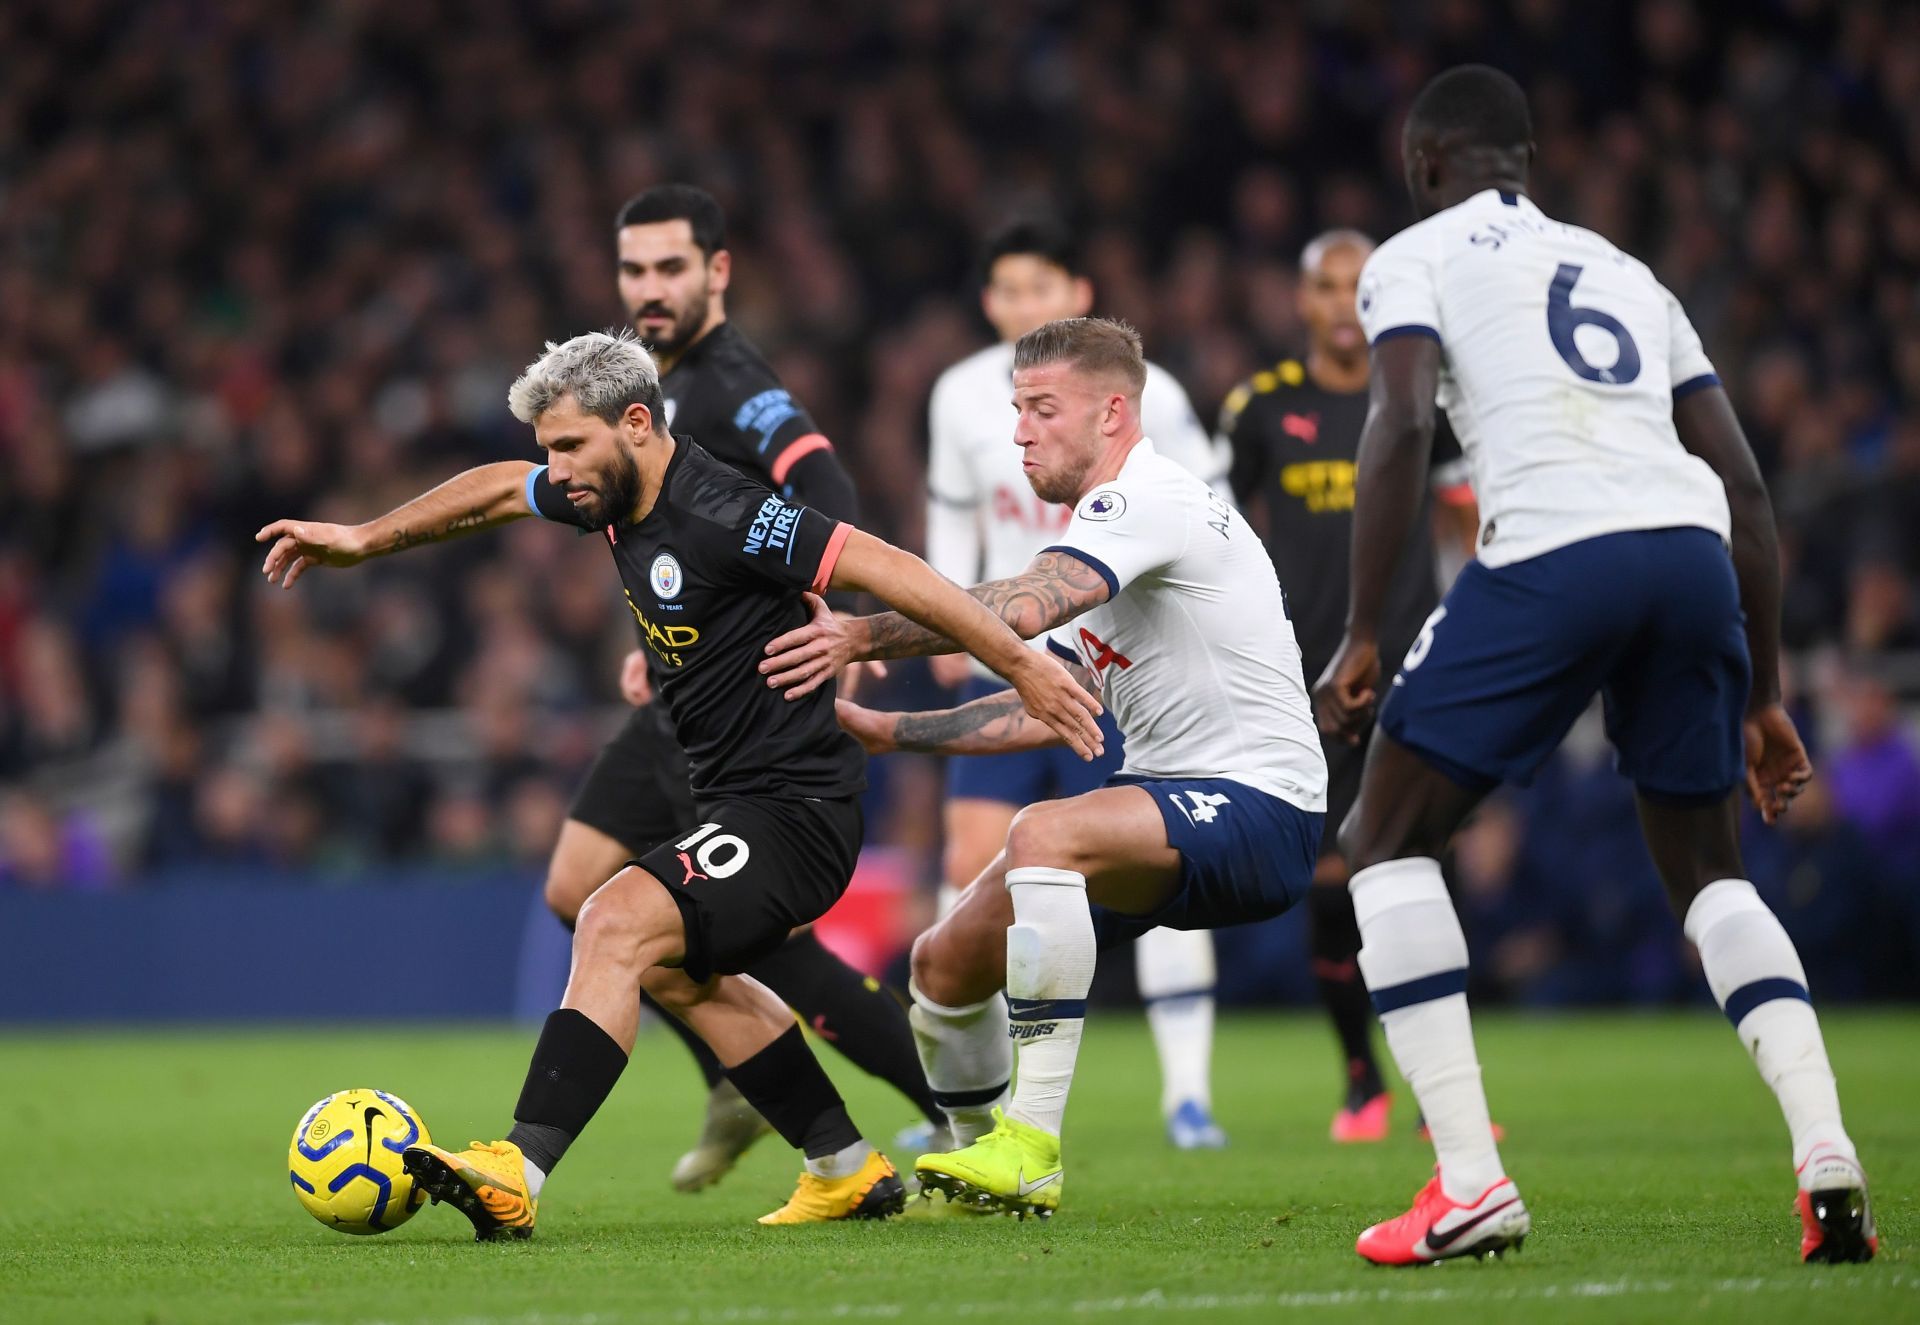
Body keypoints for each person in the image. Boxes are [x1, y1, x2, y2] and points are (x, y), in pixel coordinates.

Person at [255, 329, 1102, 1235]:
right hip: (733, 798)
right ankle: (845, 1165)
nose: (557, 469)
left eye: (570, 446)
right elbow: (501, 488)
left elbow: (890, 566)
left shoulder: (726, 510)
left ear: (635, 422)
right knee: (674, 971)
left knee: (615, 916)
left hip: (797, 809)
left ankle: (517, 1169)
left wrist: (1017, 663)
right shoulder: (610, 494)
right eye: (551, 449)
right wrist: (361, 538)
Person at [1313, 65, 1874, 1265]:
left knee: (1382, 839)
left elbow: (1402, 419)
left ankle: (1469, 1180)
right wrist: (1765, 692)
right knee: (1711, 873)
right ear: (1527, 163)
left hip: (1558, 551)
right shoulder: (1628, 270)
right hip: (1690, 554)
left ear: (1423, 167)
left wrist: (1365, 627)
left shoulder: (1411, 255)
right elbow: (1750, 493)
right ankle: (1827, 1148)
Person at [761, 318, 1327, 1217]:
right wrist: (888, 730)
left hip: (1263, 803)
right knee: (943, 965)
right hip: (1171, 801)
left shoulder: (1145, 499)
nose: (1019, 431)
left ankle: (1030, 1142)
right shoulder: (1110, 534)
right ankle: (965, 1165)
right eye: (1015, 409)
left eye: (1041, 409)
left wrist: (865, 630)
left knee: (1045, 832)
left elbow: (1018, 608)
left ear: (1112, 412)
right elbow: (1051, 700)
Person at [559, 183, 945, 1194]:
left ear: (718, 271)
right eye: (634, 270)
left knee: (766, 947)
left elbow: (828, 495)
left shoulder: (735, 381)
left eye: (670, 268)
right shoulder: (636, 383)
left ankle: (953, 1107)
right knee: (576, 887)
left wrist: (839, 623)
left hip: (745, 708)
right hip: (680, 694)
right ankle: (738, 1077)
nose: (649, 289)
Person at [927, 220, 1233, 1149]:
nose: (1024, 305)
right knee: (969, 866)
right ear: (989, 302)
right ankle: (962, 1104)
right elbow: (953, 513)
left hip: (1113, 667)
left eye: (1040, 288)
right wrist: (946, 619)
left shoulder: (1156, 397)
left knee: (1150, 869)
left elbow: (1209, 511)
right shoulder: (958, 395)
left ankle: (1188, 1094)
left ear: (1078, 290)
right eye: (1008, 291)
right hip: (1000, 661)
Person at [1221, 227, 1477, 1143]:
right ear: (1303, 302)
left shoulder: (1421, 399)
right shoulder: (1260, 410)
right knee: (1332, 881)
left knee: (1418, 868)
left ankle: (1444, 1093)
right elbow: (1221, 530)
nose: (1341, 302)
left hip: (1417, 664)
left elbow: (1466, 521)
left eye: (1357, 285)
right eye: (1326, 286)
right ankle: (1361, 1077)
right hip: (1306, 678)